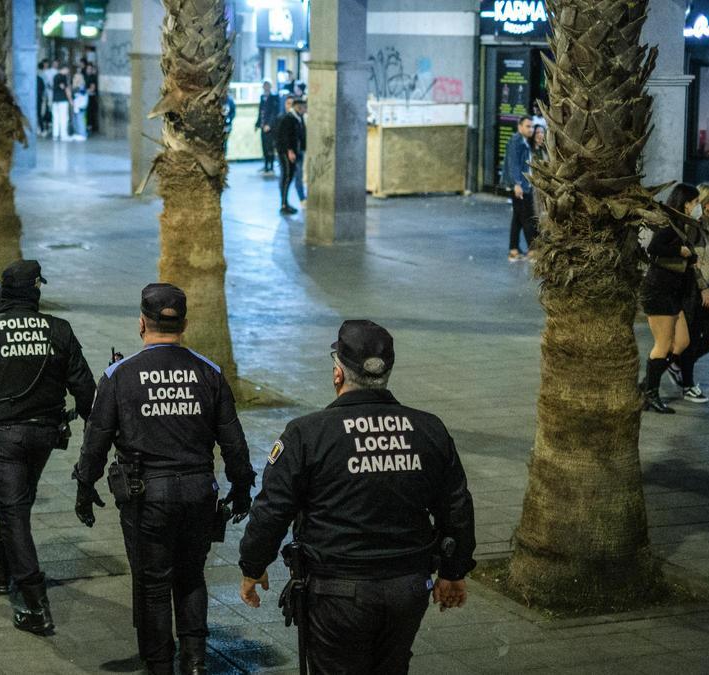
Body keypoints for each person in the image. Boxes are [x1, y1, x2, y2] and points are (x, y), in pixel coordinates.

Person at [238, 320, 476, 674]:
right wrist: (453, 571)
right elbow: (456, 506)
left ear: (338, 373)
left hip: (336, 592)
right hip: (407, 587)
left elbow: (273, 510)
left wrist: (253, 566)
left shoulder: (308, 434)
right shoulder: (429, 428)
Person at [73, 283, 256, 675]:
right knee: (191, 577)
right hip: (197, 493)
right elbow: (234, 443)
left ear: (141, 323)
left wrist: (84, 486)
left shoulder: (119, 375)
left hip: (146, 498)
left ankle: (159, 665)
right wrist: (242, 490)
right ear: (184, 324)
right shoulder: (209, 372)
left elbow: (96, 441)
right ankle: (194, 662)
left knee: (153, 584)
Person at [0, 260, 96, 635]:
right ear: (35, 291)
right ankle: (1, 570)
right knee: (19, 504)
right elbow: (86, 389)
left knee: (14, 512)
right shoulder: (59, 330)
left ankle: (34, 603)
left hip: (2, 438)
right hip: (45, 435)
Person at [640, 183, 700, 414]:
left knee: (682, 342)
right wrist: (680, 252)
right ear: (686, 203)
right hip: (659, 290)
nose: (698, 207)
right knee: (662, 344)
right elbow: (654, 248)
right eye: (696, 203)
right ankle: (650, 396)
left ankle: (647, 384)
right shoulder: (669, 224)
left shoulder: (684, 225)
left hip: (673, 292)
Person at [666, 183, 709, 404]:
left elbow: (706, 254)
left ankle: (676, 363)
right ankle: (687, 383)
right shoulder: (690, 227)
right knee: (690, 337)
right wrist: (702, 287)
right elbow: (690, 262)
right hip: (695, 289)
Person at [503, 116, 537, 261]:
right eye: (528, 126)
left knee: (517, 219)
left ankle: (514, 250)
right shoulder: (515, 141)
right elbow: (513, 164)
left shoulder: (525, 141)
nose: (531, 129)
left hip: (524, 185)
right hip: (519, 186)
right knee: (527, 217)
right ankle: (533, 249)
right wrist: (516, 184)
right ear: (520, 127)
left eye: (532, 127)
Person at [275, 96, 307, 215]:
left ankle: (285, 203)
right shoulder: (289, 118)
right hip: (286, 153)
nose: (305, 109)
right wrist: (290, 151)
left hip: (293, 152)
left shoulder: (298, 118)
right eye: (304, 107)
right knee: (287, 177)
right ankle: (284, 204)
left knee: (289, 177)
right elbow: (285, 137)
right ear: (298, 107)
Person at [254, 80, 281, 174]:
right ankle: (266, 166)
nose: (265, 87)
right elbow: (260, 112)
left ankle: (271, 167)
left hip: (270, 127)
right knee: (264, 147)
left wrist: (269, 125)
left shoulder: (274, 97)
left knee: (270, 147)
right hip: (263, 126)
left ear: (270, 86)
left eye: (267, 86)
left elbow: (274, 113)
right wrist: (257, 124)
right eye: (264, 86)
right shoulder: (262, 97)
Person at [51, 65, 71, 141]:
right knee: (64, 118)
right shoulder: (63, 77)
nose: (68, 73)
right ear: (64, 69)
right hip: (62, 100)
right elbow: (66, 89)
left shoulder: (55, 76)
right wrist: (70, 100)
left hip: (55, 100)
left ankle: (55, 135)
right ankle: (63, 135)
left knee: (55, 118)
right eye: (67, 71)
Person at [70, 69, 88, 141]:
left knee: (80, 120)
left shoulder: (82, 87)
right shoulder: (76, 87)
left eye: (75, 77)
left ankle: (82, 134)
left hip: (80, 106)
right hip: (76, 106)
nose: (74, 79)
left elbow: (81, 96)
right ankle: (78, 133)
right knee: (76, 120)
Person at [84, 62, 99, 135]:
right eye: (88, 69)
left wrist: (85, 91)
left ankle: (90, 127)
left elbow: (92, 88)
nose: (89, 70)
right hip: (85, 97)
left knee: (90, 113)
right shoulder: (84, 76)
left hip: (91, 97)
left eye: (90, 69)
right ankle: (87, 126)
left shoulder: (93, 77)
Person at [36, 60, 49, 136]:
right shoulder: (43, 75)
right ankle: (42, 128)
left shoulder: (35, 77)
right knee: (41, 113)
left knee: (37, 114)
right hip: (41, 97)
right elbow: (45, 86)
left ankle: (38, 128)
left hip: (37, 97)